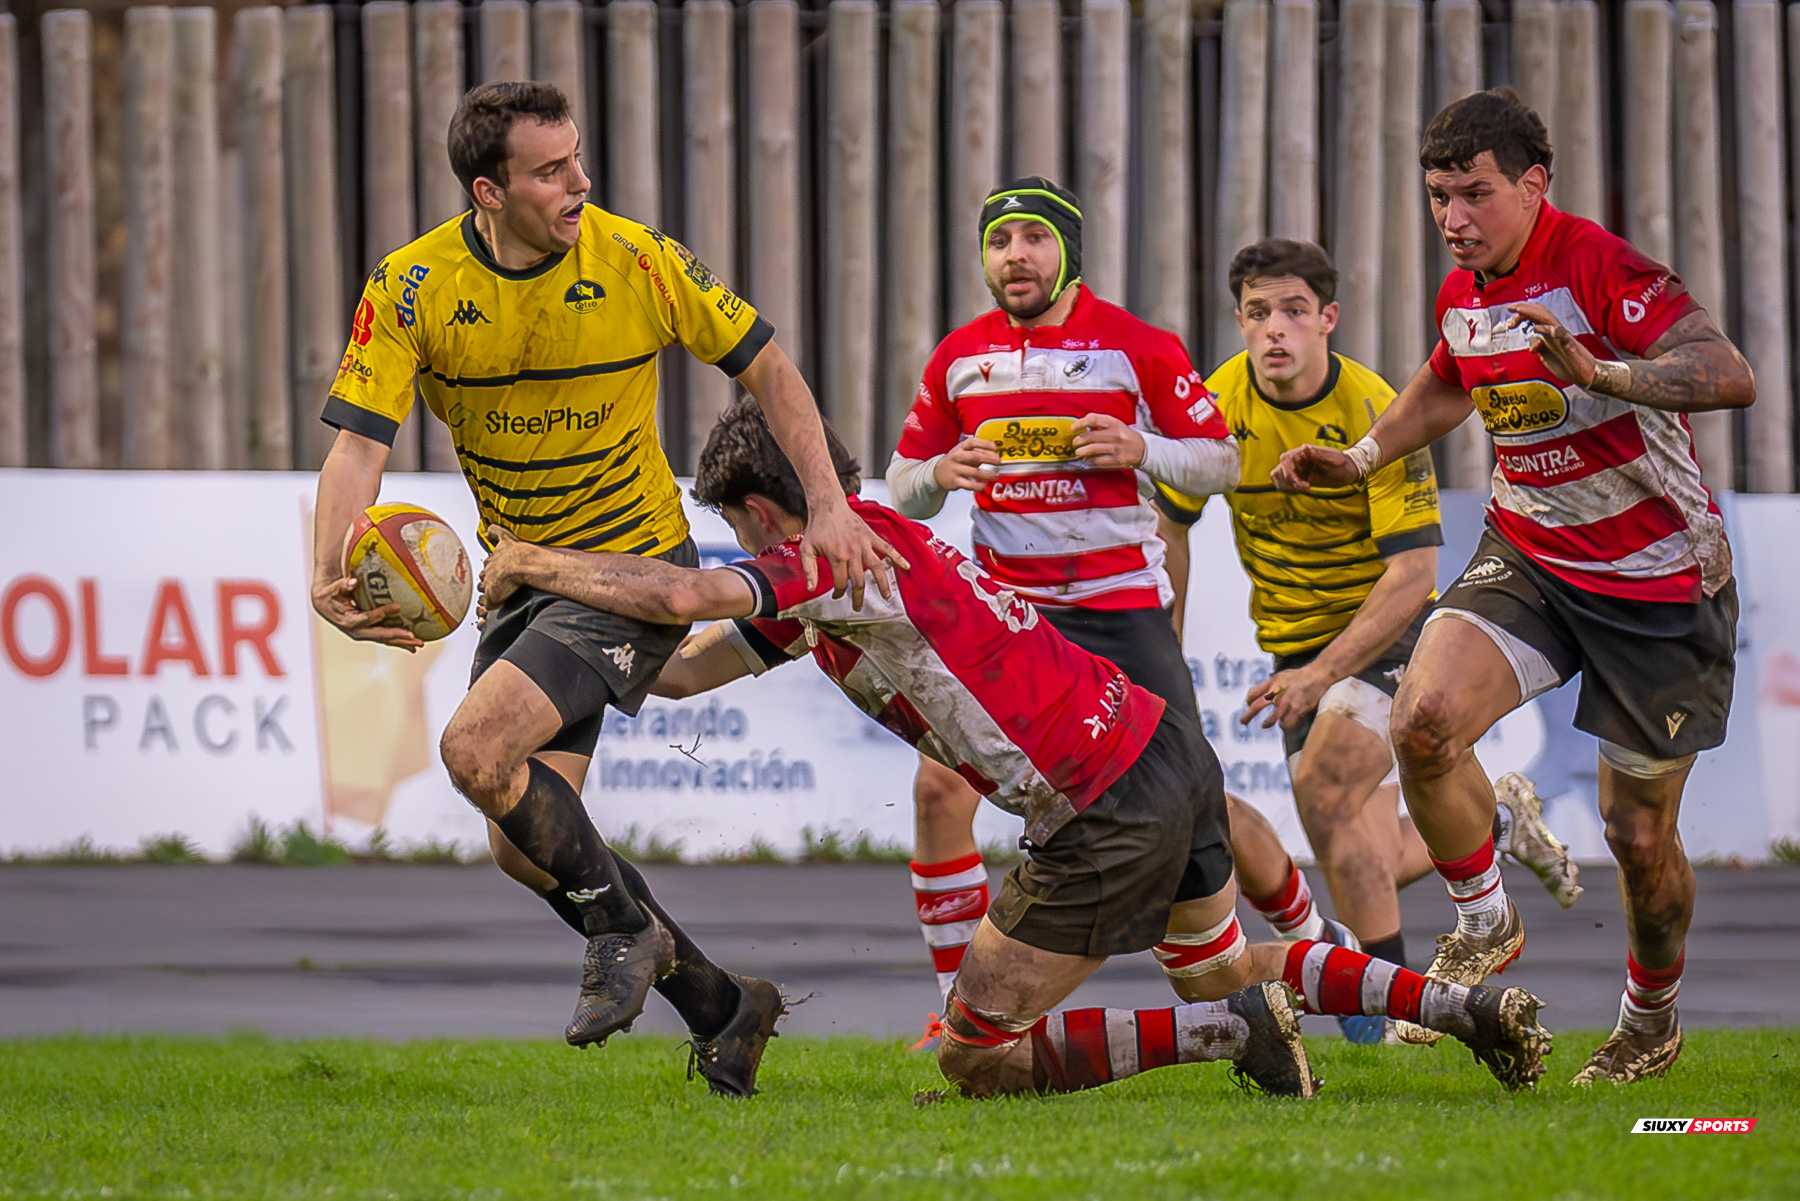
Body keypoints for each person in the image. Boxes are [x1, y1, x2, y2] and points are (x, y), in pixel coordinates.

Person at [479, 396, 1554, 1099]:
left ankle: (1234, 1038)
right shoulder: (858, 554)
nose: (755, 550)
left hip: (1100, 804)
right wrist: (564, 639)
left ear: (766, 510)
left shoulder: (828, 554)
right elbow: (677, 662)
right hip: (1159, 751)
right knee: (1219, 962)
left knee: (973, 1055)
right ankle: (1469, 1010)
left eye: (748, 528)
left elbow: (682, 591)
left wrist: (533, 562)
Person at [309, 81, 900, 1096]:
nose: (581, 182)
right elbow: (359, 445)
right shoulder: (412, 288)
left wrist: (829, 504)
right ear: (488, 191)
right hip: (524, 576)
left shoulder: (637, 258)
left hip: (634, 563)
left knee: (472, 748)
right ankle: (722, 1004)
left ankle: (622, 930)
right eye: (552, 170)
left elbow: (769, 369)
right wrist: (326, 569)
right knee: (519, 842)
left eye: (578, 159)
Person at [1272, 88, 1753, 1083]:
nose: (1453, 217)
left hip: (1655, 583)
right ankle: (1486, 920)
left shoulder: (1598, 265)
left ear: (1535, 184)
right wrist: (1361, 456)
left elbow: (1728, 370)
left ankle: (1649, 1022)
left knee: (1638, 835)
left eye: (1474, 194)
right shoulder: (1468, 290)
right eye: (1440, 195)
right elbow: (1450, 377)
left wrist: (1606, 372)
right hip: (1529, 552)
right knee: (1424, 719)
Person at [883, 180, 1345, 1044]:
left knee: (1198, 802)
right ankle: (959, 1015)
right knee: (940, 788)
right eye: (998, 241)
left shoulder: (1134, 345)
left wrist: (1146, 450)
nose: (1013, 255)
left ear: (1068, 249)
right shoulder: (959, 358)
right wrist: (942, 471)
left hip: (1120, 612)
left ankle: (1315, 940)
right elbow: (901, 486)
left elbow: (1224, 463)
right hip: (1009, 622)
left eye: (1032, 238)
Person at [1155, 238, 1581, 1043]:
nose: (1274, 330)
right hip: (1294, 651)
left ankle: (1384, 1022)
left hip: (1390, 634)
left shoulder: (1374, 410)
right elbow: (1168, 531)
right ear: (1239, 321)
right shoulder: (1215, 407)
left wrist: (1321, 673)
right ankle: (1490, 824)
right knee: (1356, 843)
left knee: (1323, 792)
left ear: (1328, 319)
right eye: (1256, 313)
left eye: (1292, 312)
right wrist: (1162, 651)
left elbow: (1414, 571)